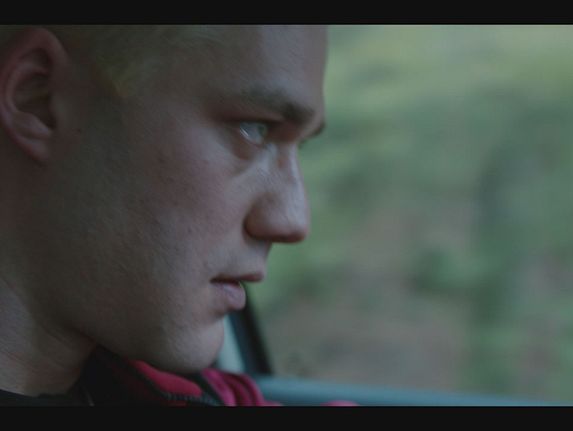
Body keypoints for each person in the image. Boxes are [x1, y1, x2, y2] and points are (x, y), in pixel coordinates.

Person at [0, 25, 337, 406]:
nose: (292, 221)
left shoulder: (170, 389)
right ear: (38, 98)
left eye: (301, 145)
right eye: (254, 128)